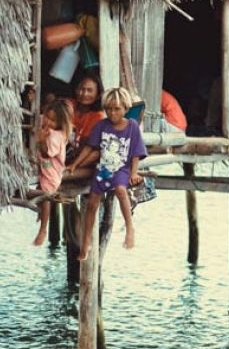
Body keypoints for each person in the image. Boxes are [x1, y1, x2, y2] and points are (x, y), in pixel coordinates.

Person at [66, 87, 147, 260]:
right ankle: (86, 244)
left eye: (117, 109)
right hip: (103, 169)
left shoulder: (132, 126)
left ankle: (129, 229)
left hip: (121, 168)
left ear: (126, 108)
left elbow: (136, 153)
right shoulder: (101, 126)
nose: (112, 113)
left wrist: (133, 173)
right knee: (92, 204)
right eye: (108, 109)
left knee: (120, 189)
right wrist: (75, 164)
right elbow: (90, 148)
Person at [33, 99, 73, 246]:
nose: (48, 122)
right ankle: (40, 213)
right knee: (40, 192)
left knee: (46, 194)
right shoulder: (48, 128)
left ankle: (43, 229)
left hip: (52, 171)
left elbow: (47, 153)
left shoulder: (55, 135)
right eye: (47, 117)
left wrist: (41, 140)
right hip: (46, 168)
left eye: (53, 120)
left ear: (61, 124)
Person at [67, 74, 106, 164]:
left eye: (90, 90)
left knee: (96, 153)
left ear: (98, 95)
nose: (84, 94)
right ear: (76, 90)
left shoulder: (98, 116)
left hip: (79, 155)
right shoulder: (68, 104)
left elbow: (85, 145)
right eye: (82, 89)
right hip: (59, 150)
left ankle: (72, 168)